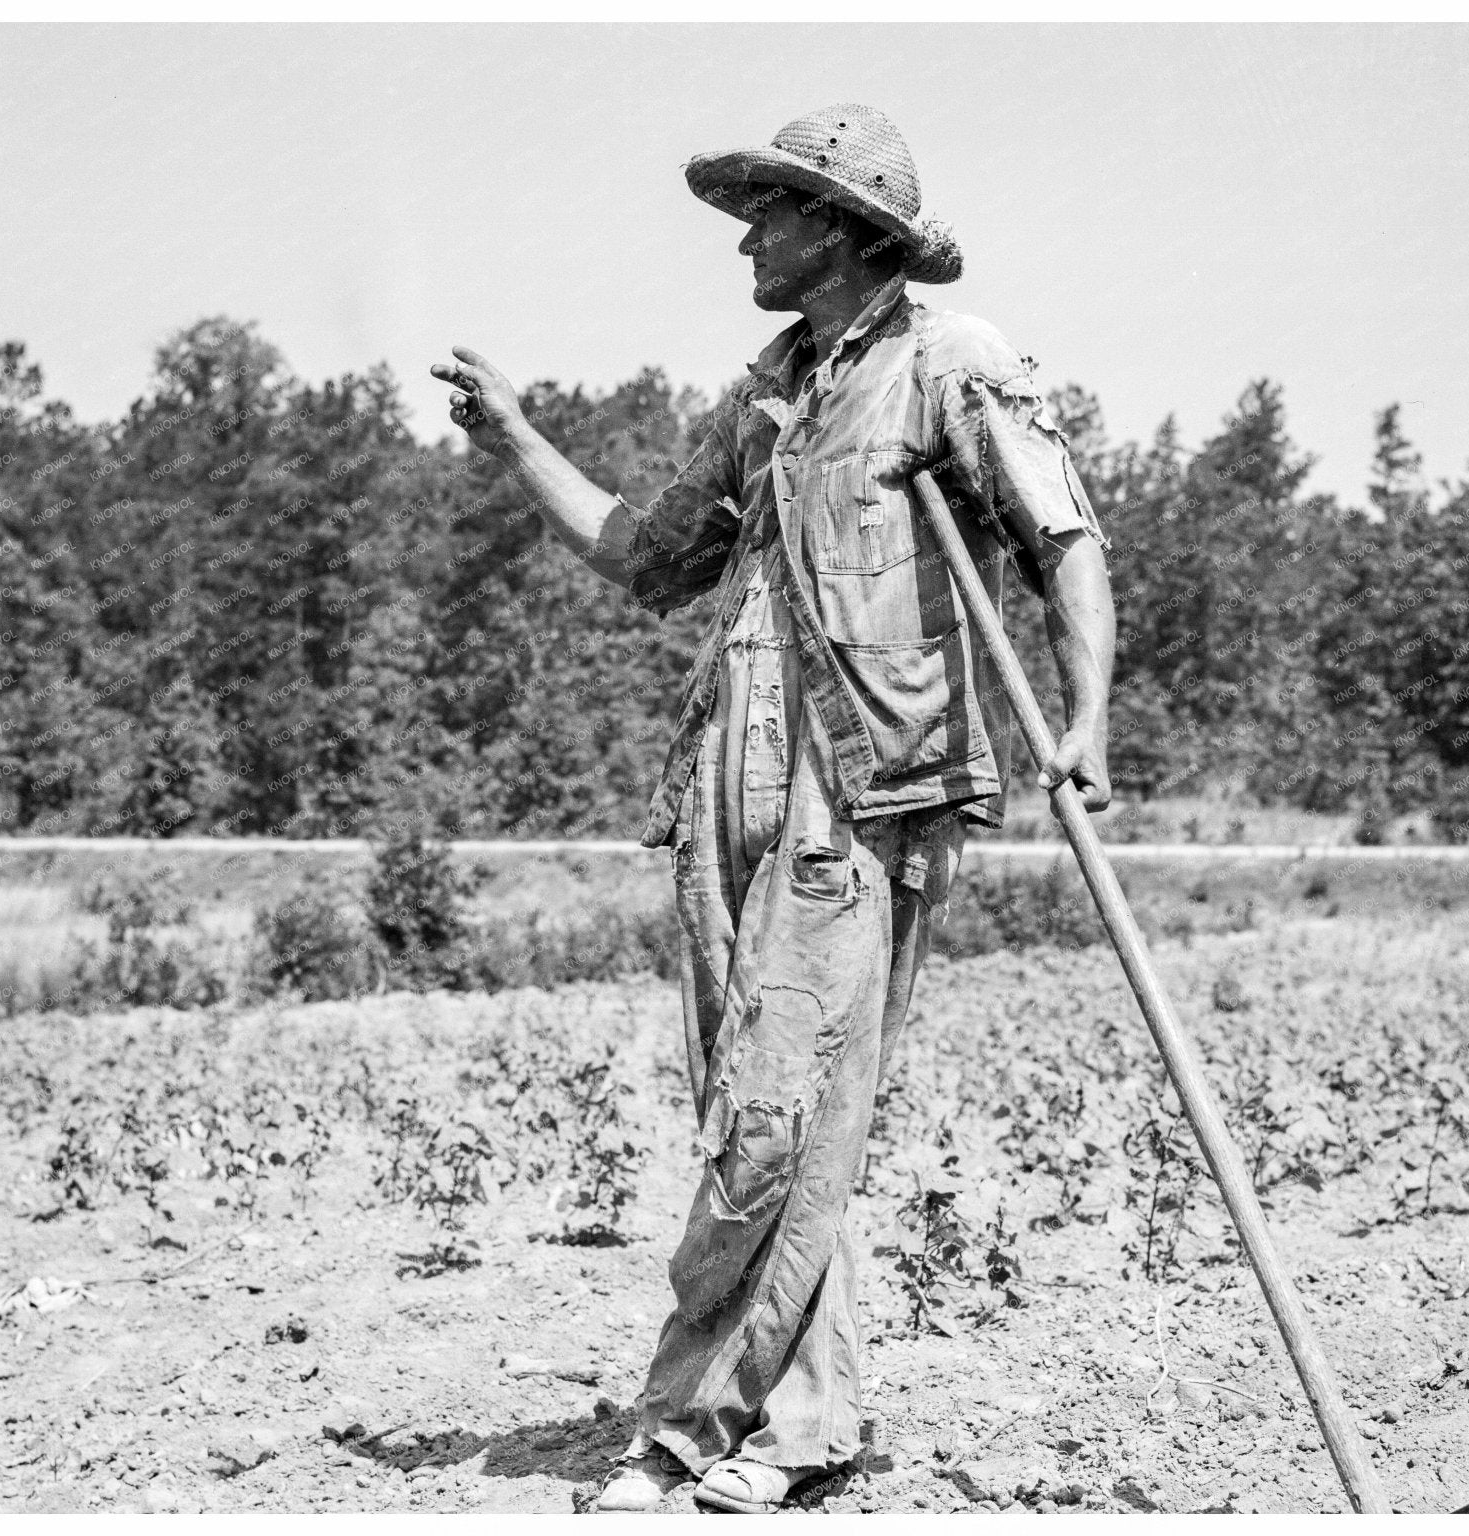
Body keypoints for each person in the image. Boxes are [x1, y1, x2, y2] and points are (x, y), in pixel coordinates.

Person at [431, 102, 1116, 1514]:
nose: (746, 232)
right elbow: (644, 554)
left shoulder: (949, 364)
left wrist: (1087, 714)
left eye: (773, 209)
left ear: (849, 231)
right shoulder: (764, 394)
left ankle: (687, 1423)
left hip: (863, 789)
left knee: (778, 1117)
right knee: (763, 1123)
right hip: (720, 793)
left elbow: (1061, 538)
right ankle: (801, 1426)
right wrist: (514, 441)